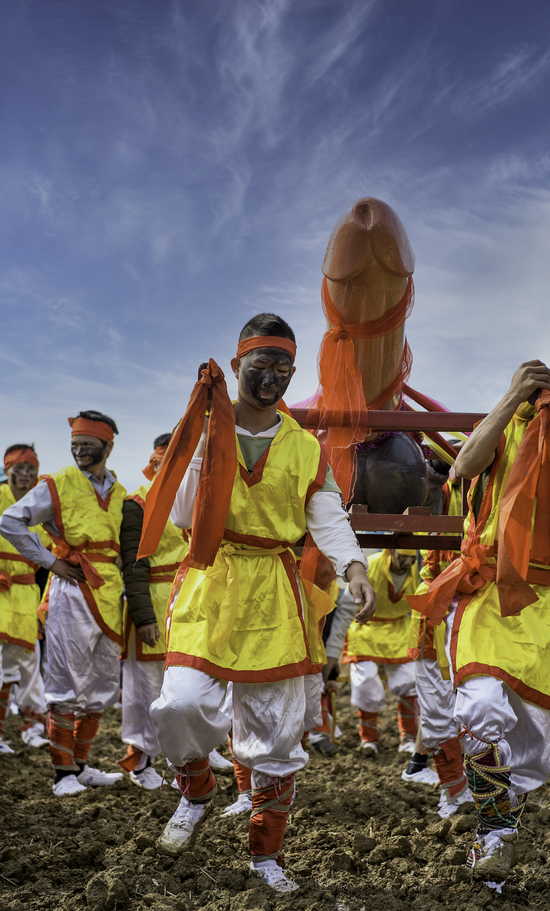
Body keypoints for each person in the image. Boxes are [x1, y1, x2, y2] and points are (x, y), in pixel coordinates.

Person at [141, 313, 375, 892]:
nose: (272, 377)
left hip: (274, 586)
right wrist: (205, 437)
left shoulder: (303, 447)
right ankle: (195, 788)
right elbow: (178, 514)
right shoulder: (203, 431)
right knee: (178, 705)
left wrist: (354, 569)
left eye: (284, 368)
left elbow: (328, 519)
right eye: (261, 365)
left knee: (273, 733)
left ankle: (265, 857)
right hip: (211, 580)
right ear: (238, 361)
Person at [409, 349, 550, 878]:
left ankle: (503, 821)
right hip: (484, 594)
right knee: (481, 709)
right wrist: (510, 399)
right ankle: (493, 835)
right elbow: (463, 467)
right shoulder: (510, 427)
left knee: (530, 752)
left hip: (542, 606)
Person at [0, 411, 127, 795]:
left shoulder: (120, 493)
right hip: (71, 588)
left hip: (109, 590)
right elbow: (10, 521)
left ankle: (83, 765)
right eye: (75, 445)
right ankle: (62, 773)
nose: (80, 451)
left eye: (88, 445)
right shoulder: (58, 482)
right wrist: (50, 561)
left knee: (103, 682)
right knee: (65, 680)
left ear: (108, 445)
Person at [117, 434, 190, 789]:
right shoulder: (137, 503)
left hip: (190, 603)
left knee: (185, 686)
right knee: (145, 689)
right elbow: (133, 563)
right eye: (162, 462)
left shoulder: (193, 497)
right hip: (153, 602)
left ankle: (184, 762)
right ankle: (140, 759)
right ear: (154, 462)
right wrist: (144, 616)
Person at [405, 471, 472, 819]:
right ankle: (454, 790)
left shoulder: (502, 485)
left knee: (485, 706)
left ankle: (480, 788)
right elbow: (424, 492)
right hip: (436, 611)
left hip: (483, 608)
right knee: (436, 709)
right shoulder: (436, 487)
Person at [324, 548, 419, 754]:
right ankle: (369, 740)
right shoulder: (368, 567)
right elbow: (346, 613)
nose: (407, 564)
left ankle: (408, 739)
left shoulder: (419, 570)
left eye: (412, 558)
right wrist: (334, 650)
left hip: (399, 630)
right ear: (391, 552)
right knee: (365, 682)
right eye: (403, 557)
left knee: (410, 680)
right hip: (366, 628)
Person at [0, 445, 50, 752]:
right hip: (1, 593)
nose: (25, 474)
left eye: (30, 469)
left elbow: (47, 560)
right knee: (1, 664)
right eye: (18, 468)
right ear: (7, 470)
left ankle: (32, 726)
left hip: (28, 593)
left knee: (30, 663)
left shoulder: (40, 506)